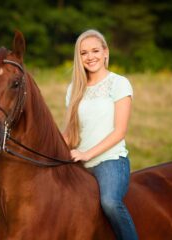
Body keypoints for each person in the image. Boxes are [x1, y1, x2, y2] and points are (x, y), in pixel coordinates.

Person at [63, 29, 138, 240]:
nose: (90, 57)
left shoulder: (119, 83)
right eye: (84, 53)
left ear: (105, 52)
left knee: (110, 203)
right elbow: (70, 132)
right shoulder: (74, 88)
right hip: (77, 162)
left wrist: (87, 154)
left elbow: (120, 131)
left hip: (110, 161)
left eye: (95, 50)